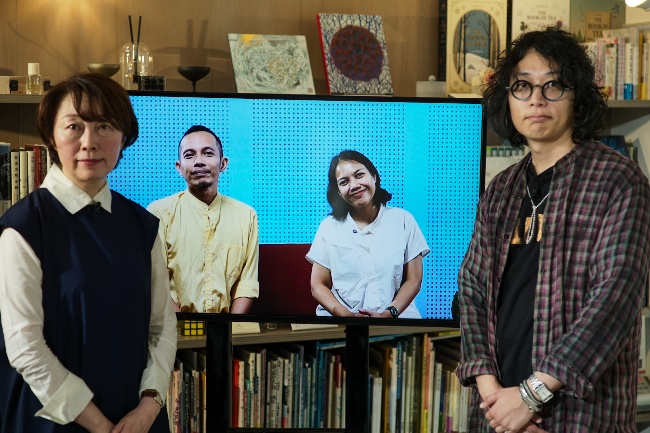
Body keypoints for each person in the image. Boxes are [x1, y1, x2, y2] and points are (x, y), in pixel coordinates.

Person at [457, 27, 650, 433]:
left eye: (554, 85)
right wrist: (495, 398)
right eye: (522, 86)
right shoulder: (501, 189)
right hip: (498, 413)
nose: (537, 100)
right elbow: (473, 291)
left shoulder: (619, 181)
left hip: (578, 418)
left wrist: (529, 397)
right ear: (507, 97)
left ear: (577, 95)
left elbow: (614, 300)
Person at [0, 73, 177, 433]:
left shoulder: (142, 225)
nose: (89, 143)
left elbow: (162, 326)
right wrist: (99, 425)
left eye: (104, 126)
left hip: (136, 418)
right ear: (52, 136)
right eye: (74, 127)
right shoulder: (24, 226)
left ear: (123, 137)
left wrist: (150, 405)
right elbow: (24, 346)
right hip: (52, 418)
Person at [147, 125, 259, 314]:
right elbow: (155, 284)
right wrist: (187, 327)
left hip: (227, 325)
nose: (198, 161)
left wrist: (230, 326)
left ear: (223, 163)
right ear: (179, 168)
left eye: (207, 153)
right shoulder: (158, 213)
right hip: (174, 326)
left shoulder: (246, 216)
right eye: (189, 155)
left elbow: (246, 284)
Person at [306, 150, 429, 318]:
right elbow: (318, 285)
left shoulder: (403, 220)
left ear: (373, 176)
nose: (354, 185)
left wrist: (390, 314)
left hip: (397, 320)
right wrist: (344, 314)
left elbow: (414, 279)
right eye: (344, 182)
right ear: (339, 192)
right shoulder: (328, 227)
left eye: (359, 175)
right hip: (342, 322)